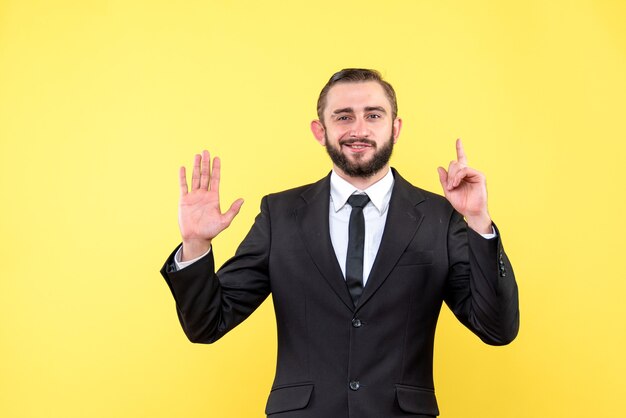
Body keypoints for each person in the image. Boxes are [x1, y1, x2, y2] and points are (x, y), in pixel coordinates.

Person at [160, 68, 519, 417]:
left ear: (395, 128)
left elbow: (496, 329)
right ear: (321, 130)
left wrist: (478, 221)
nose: (359, 129)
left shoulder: (439, 217)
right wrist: (194, 244)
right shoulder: (280, 214)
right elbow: (207, 324)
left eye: (373, 115)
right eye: (344, 117)